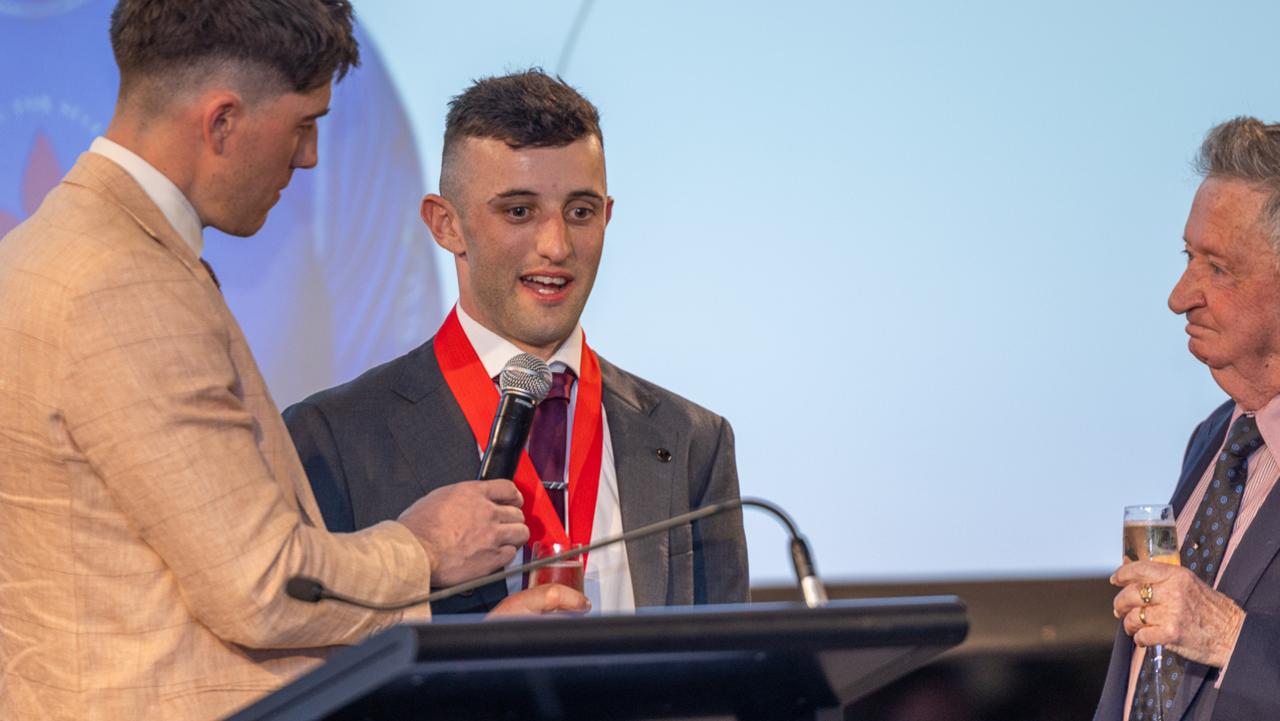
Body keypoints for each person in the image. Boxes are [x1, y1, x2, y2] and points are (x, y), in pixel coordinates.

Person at [0, 5, 582, 721]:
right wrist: (422, 548)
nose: (308, 157)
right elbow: (264, 584)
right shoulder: (123, 282)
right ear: (222, 122)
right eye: (304, 124)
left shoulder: (46, 250)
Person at [285, 69, 750, 615]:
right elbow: (310, 664)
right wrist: (476, 661)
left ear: (607, 216)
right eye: (519, 211)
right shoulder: (333, 438)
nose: (556, 246)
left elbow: (726, 671)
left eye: (580, 212)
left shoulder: (693, 438)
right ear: (445, 225)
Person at [1096, 116, 1280, 721]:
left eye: (1217, 268)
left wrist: (1229, 635)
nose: (1179, 296)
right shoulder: (1217, 438)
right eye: (1187, 256)